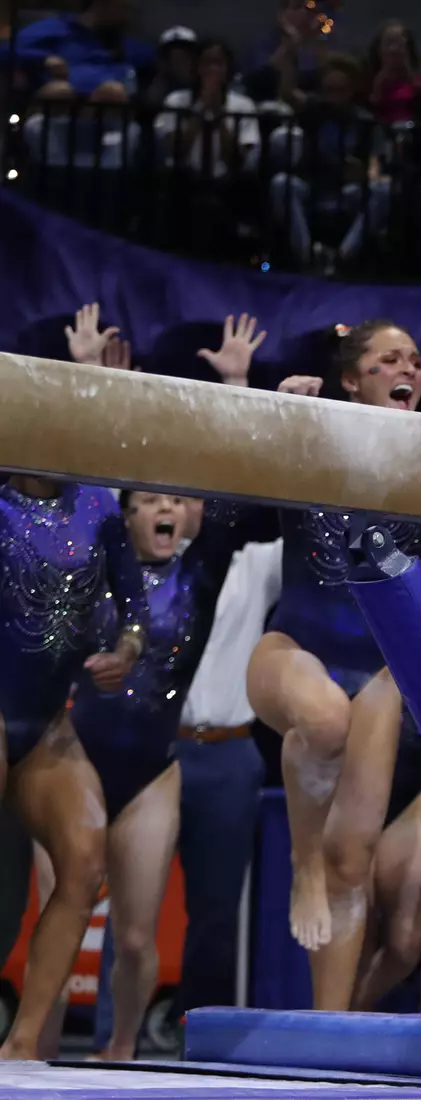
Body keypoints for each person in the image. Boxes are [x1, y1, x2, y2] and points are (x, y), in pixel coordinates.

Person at [41, 313, 266, 1060]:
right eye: (152, 501)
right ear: (126, 513)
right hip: (73, 752)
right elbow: (88, 477)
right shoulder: (97, 555)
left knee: (137, 936)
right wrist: (93, 382)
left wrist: (236, 389)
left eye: (177, 501)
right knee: (55, 913)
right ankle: (31, 1050)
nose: (168, 509)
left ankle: (119, 1056)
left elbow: (230, 495)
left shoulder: (202, 571)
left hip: (152, 765)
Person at [245, 320, 421, 1011]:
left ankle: (329, 1026)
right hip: (293, 648)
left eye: (414, 359)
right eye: (387, 359)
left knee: (354, 860)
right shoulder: (311, 439)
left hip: (379, 675)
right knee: (322, 720)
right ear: (351, 380)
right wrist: (272, 421)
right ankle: (301, 863)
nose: (406, 367)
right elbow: (234, 516)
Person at [0, 307, 149, 1059]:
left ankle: (22, 1046)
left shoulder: (96, 504)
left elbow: (136, 605)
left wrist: (127, 645)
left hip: (45, 723)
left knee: (85, 859)